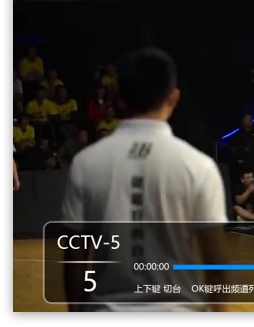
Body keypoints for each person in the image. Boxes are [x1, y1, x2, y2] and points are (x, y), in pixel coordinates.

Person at [61, 47, 229, 311]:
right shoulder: (199, 167)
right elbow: (216, 267)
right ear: (173, 98)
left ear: (118, 97)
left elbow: (75, 259)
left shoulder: (85, 163)